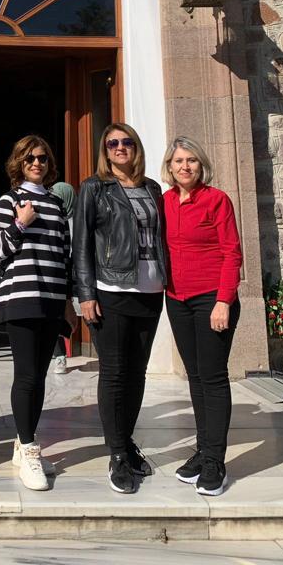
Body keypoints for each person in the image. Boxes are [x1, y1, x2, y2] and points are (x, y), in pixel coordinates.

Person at [73, 122, 166, 495]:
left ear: (136, 147)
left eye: (127, 141)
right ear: (105, 150)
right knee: (114, 372)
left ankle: (126, 442)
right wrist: (85, 294)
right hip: (110, 289)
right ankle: (116, 455)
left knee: (137, 372)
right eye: (112, 143)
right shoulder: (94, 188)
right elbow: (81, 243)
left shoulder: (152, 188)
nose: (120, 147)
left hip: (151, 289)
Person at [0, 135, 75, 491]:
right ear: (19, 164)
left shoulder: (55, 204)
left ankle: (23, 445)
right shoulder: (10, 200)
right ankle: (29, 449)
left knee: (39, 377)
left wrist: (68, 301)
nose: (37, 163)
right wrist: (19, 223)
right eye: (29, 159)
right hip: (21, 297)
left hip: (51, 299)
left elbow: (64, 255)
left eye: (42, 158)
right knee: (25, 376)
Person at [162, 136, 242, 497]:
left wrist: (224, 301)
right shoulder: (164, 201)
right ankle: (203, 450)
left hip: (212, 299)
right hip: (176, 299)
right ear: (169, 166)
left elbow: (232, 253)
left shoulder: (216, 200)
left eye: (191, 160)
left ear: (201, 165)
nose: (185, 166)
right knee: (194, 377)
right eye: (179, 160)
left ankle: (215, 462)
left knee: (213, 378)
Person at [50, 181, 77, 375]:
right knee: (56, 316)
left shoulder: (80, 218)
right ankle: (60, 355)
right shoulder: (54, 218)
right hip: (61, 276)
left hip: (79, 278)